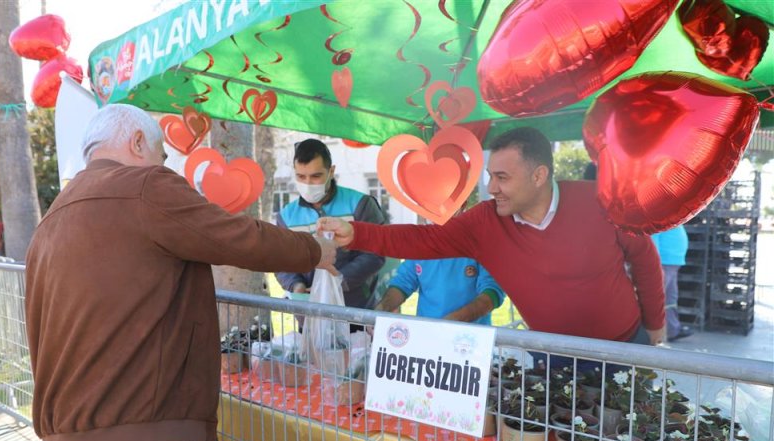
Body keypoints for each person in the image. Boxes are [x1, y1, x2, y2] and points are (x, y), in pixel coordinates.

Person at [24, 104, 337, 441]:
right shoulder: (145, 185)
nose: (166, 168)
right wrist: (316, 251)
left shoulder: (55, 216)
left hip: (72, 440)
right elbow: (237, 236)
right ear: (137, 143)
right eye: (162, 155)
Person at [319, 127, 665, 350]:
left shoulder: (600, 202)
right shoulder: (487, 221)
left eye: (502, 177)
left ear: (539, 175)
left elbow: (646, 259)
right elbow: (423, 240)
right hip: (554, 354)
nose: (492, 187)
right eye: (490, 176)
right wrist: (358, 233)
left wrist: (655, 325)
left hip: (625, 346)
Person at [276, 139, 386, 314]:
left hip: (356, 311)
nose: (308, 184)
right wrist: (295, 284)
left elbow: (375, 254)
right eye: (301, 177)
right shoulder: (286, 216)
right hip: (310, 313)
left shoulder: (360, 204)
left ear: (331, 171)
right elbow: (281, 261)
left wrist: (339, 281)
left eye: (316, 176)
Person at [377, 257, 505, 325]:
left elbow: (492, 293)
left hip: (470, 340)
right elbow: (402, 283)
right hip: (428, 336)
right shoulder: (422, 241)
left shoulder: (479, 240)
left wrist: (453, 320)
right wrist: (381, 309)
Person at [651, 225, 692, 341]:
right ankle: (646, 333)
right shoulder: (659, 215)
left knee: (670, 299)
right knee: (655, 298)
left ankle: (672, 330)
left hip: (671, 262)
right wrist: (655, 263)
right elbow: (653, 236)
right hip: (663, 263)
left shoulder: (671, 215)